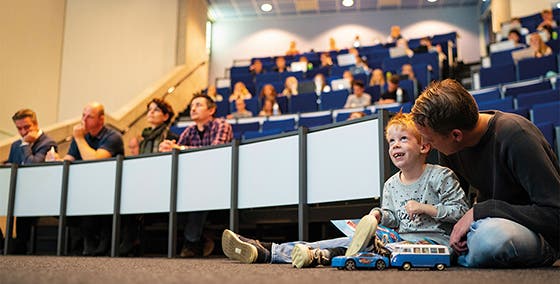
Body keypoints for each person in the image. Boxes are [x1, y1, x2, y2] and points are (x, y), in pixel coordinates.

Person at [221, 112, 468, 268]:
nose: (395, 146)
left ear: (424, 146)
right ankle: (269, 250)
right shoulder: (391, 183)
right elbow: (393, 218)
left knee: (362, 244)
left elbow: (461, 212)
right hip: (396, 241)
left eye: (403, 139)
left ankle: (282, 252)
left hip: (433, 245)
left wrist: (426, 208)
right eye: (391, 141)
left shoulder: (440, 175)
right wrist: (379, 215)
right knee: (355, 240)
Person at [410, 79, 560, 268]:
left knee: (490, 240)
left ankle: (454, 256)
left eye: (430, 139)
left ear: (456, 135)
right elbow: (453, 207)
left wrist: (484, 210)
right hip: (482, 223)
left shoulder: (517, 136)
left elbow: (555, 214)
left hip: (537, 234)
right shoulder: (450, 147)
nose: (426, 144)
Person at [159, 93, 233, 257]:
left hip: (219, 180)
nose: (193, 108)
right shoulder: (189, 131)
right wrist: (167, 148)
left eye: (198, 105)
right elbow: (176, 151)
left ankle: (192, 243)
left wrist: (181, 149)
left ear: (211, 109)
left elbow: (215, 152)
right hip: (193, 180)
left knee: (199, 192)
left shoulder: (221, 125)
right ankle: (199, 239)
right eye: (192, 106)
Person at [46, 102, 124, 256]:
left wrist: (79, 138)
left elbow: (95, 159)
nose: (84, 120)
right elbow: (69, 160)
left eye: (89, 117)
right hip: (84, 187)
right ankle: (87, 239)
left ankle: (98, 240)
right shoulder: (81, 137)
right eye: (83, 115)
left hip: (108, 187)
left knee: (89, 198)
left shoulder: (113, 137)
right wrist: (56, 160)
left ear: (101, 120)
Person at [7, 109, 57, 254]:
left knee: (24, 203)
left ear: (35, 124)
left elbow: (32, 166)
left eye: (26, 127)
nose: (23, 132)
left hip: (40, 192)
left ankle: (21, 246)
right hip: (19, 191)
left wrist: (25, 146)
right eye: (19, 128)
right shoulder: (15, 145)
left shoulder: (48, 143)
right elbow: (12, 166)